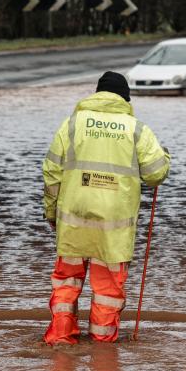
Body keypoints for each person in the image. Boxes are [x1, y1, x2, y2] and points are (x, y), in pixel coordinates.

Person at [41, 71, 170, 345]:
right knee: (107, 291)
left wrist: (51, 213)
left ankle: (61, 340)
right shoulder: (136, 129)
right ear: (125, 98)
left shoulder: (72, 125)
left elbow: (52, 173)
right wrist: (165, 155)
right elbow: (156, 174)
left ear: (97, 94)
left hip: (74, 224)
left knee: (66, 284)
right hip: (113, 229)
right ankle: (103, 350)